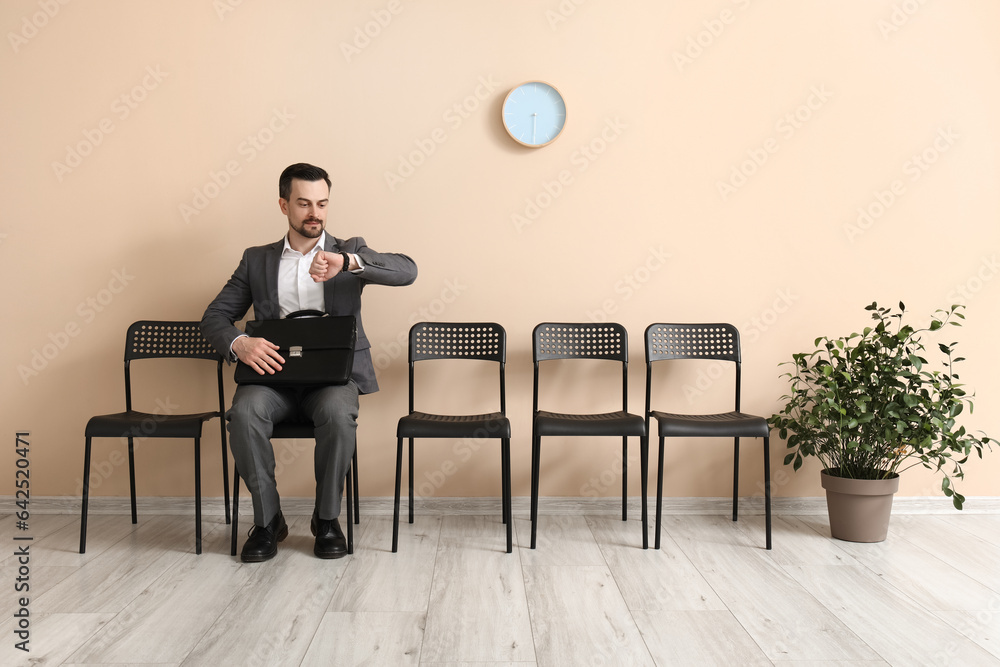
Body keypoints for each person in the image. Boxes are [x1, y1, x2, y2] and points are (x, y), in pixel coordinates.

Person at [201, 163, 417, 562]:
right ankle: (268, 522)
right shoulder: (257, 260)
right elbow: (214, 316)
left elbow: (407, 271)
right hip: (271, 381)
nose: (313, 212)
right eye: (303, 203)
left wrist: (350, 263)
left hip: (332, 380)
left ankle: (327, 520)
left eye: (321, 203)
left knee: (337, 415)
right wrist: (240, 343)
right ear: (284, 205)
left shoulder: (348, 250)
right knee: (244, 414)